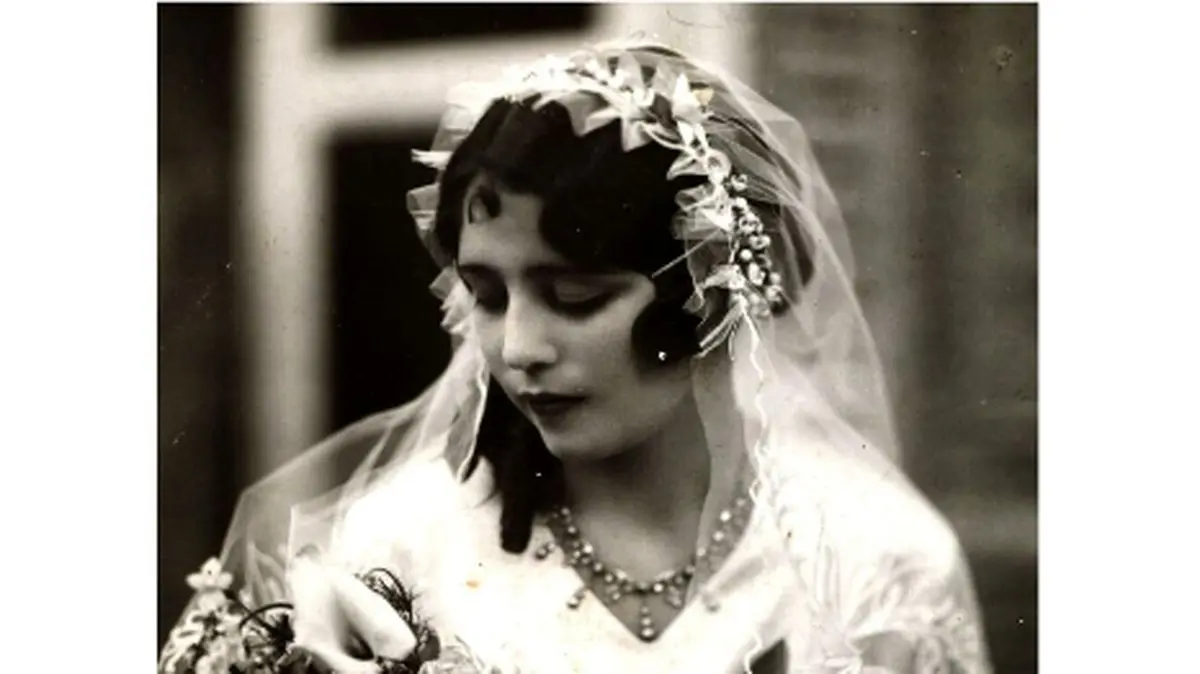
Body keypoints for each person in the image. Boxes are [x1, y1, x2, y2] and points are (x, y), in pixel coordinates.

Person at [159, 38, 992, 674]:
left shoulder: (878, 560)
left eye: (576, 298)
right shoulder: (402, 545)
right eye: (488, 296)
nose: (519, 349)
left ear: (710, 294)